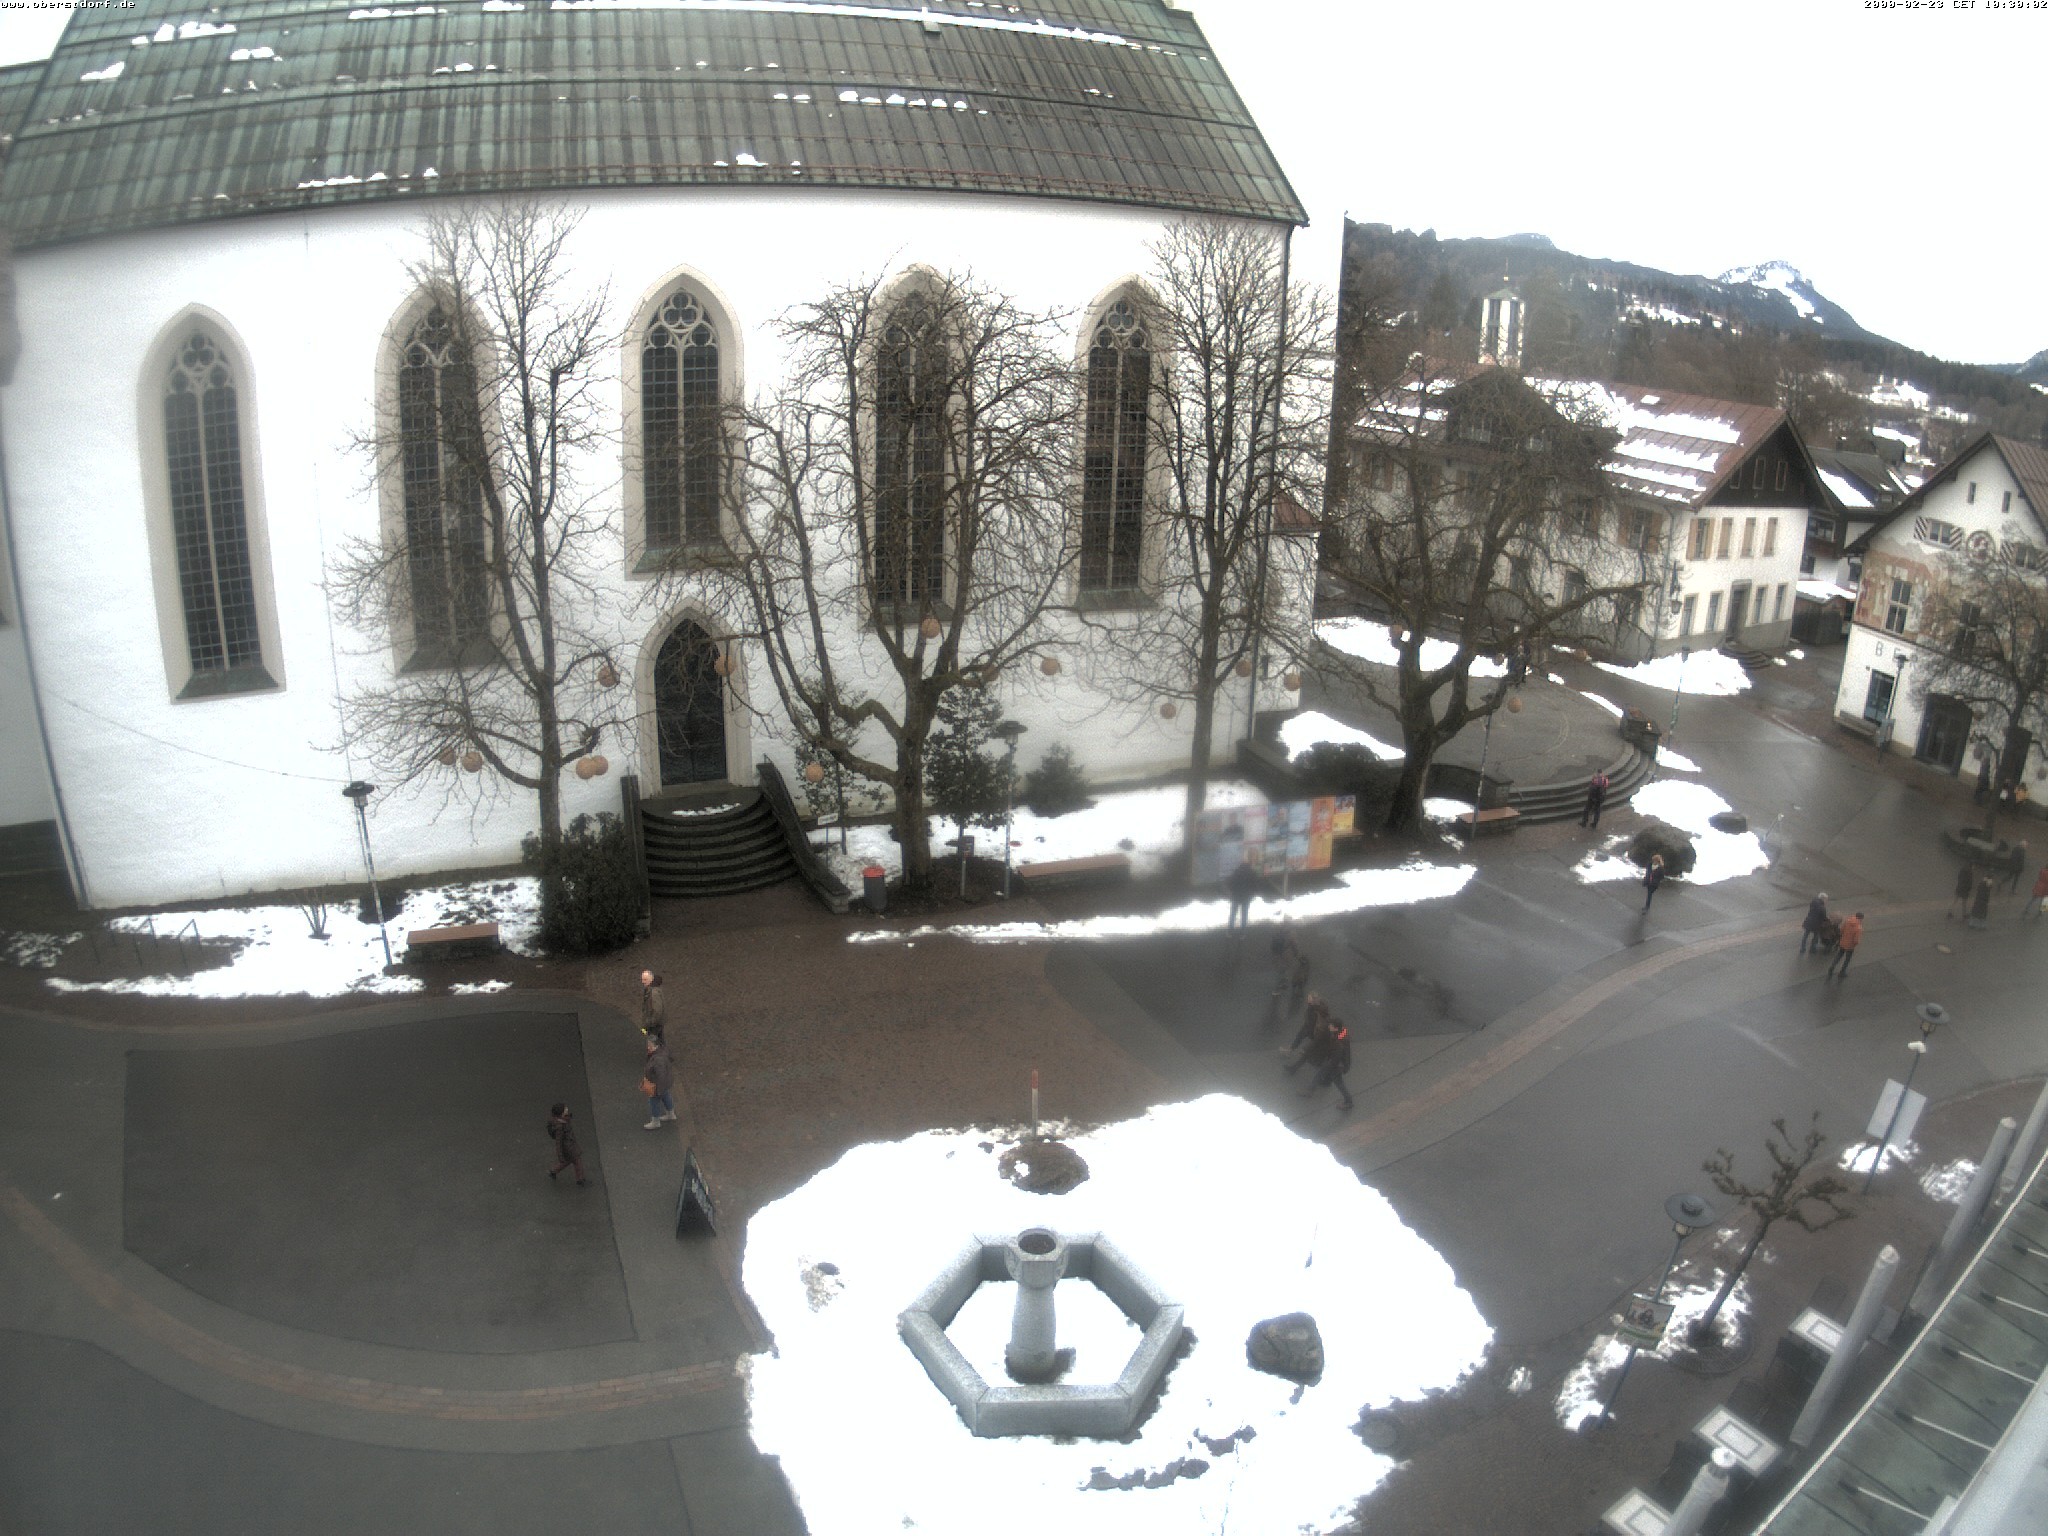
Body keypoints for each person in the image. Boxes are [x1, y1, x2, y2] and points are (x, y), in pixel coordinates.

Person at [1299, 1013, 1354, 1111]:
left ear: (1336, 1028)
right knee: (1334, 1080)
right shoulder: (1339, 1035)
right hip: (1336, 1064)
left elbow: (1337, 1056)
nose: (1329, 1026)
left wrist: (1328, 1065)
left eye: (1331, 1026)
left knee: (1337, 1082)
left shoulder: (1339, 1041)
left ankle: (1349, 1101)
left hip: (1336, 1065)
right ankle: (1310, 1090)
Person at [1283, 993, 1331, 1072]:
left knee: (1309, 1054)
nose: (1308, 999)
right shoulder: (1318, 1012)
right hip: (1314, 1034)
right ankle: (1293, 1067)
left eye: (1310, 998)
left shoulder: (1321, 1019)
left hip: (1318, 1038)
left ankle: (1324, 1069)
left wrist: (1307, 1047)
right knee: (1306, 1054)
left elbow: (1317, 1032)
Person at [546, 1102, 589, 1185]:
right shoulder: (559, 1127)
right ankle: (580, 1179)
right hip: (569, 1148)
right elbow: (558, 1143)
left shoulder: (562, 1120)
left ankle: (553, 1171)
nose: (567, 1110)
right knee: (577, 1161)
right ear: (561, 1114)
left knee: (567, 1161)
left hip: (569, 1146)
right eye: (565, 1110)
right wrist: (560, 1155)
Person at [642, 1037, 677, 1129]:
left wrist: (658, 1089)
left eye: (650, 1046)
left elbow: (660, 1075)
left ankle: (656, 1121)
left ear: (656, 1046)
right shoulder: (662, 1052)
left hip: (657, 1084)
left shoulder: (657, 1060)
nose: (648, 1047)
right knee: (666, 1096)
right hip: (665, 1083)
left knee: (653, 1101)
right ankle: (670, 1114)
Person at [1226, 859, 1261, 930]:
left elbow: (1230, 883)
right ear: (1249, 865)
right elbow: (1255, 885)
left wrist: (1232, 892)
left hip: (1236, 896)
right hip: (1246, 897)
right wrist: (1253, 894)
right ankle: (1243, 931)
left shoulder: (1236, 872)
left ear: (1240, 865)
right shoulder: (1252, 873)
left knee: (1233, 913)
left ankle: (1230, 930)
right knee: (1244, 914)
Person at [1826, 912, 1863, 979]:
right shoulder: (1858, 927)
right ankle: (1842, 972)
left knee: (1838, 956)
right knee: (1847, 960)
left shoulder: (1847, 921)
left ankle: (1832, 967)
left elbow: (1841, 931)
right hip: (1850, 946)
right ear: (1860, 918)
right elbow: (1856, 940)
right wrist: (1855, 944)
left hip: (1842, 943)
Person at [639, 969, 666, 1044]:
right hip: (656, 1024)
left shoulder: (653, 993)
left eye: (645, 980)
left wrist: (650, 1023)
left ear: (651, 979)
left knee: (653, 1044)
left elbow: (657, 1011)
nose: (643, 982)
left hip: (653, 1026)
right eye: (642, 979)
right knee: (659, 1042)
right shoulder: (652, 990)